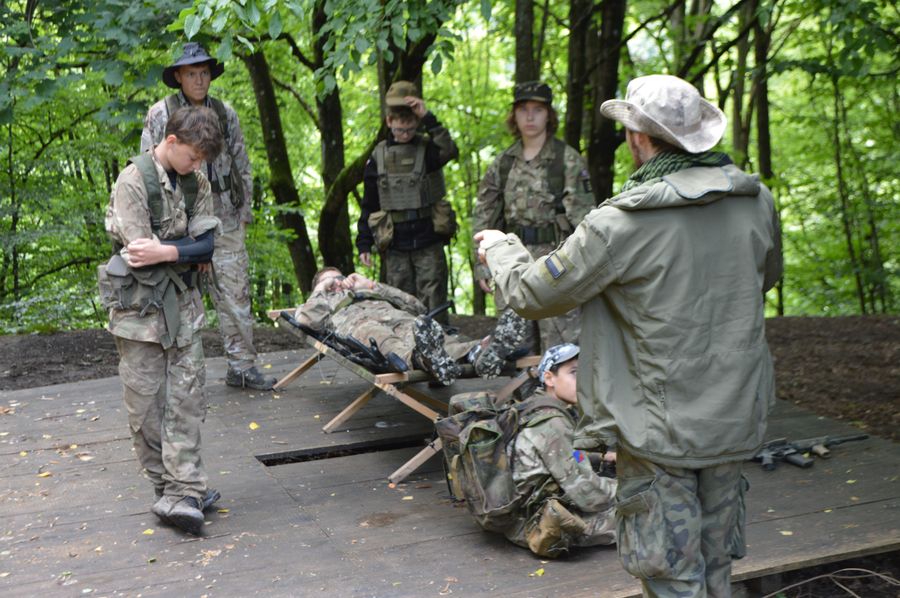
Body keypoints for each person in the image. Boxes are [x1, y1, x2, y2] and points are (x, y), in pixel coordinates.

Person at [476, 74, 783, 596]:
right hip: (734, 416)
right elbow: (765, 277)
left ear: (638, 138)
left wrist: (501, 247)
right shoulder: (756, 201)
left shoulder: (623, 223)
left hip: (659, 430)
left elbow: (533, 294)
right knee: (715, 564)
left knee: (671, 578)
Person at [99, 106, 225, 535]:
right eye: (192, 156)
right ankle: (167, 488)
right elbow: (140, 255)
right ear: (171, 142)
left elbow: (207, 246)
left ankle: (185, 490)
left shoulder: (197, 182)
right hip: (139, 314)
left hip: (184, 309)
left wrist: (169, 250)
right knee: (146, 409)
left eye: (202, 160)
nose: (197, 165)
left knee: (187, 401)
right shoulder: (133, 181)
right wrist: (185, 250)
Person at [141, 42, 275, 391]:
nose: (199, 80)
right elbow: (148, 167)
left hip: (226, 216)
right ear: (178, 77)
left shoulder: (224, 113)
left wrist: (244, 211)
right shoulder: (161, 113)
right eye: (191, 73)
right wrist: (158, 222)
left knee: (235, 293)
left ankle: (242, 367)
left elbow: (242, 162)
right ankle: (180, 372)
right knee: (181, 295)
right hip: (180, 220)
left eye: (204, 73)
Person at [473, 81, 595, 353]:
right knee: (515, 348)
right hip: (510, 261)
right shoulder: (503, 164)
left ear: (548, 115)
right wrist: (482, 265)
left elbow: (585, 222)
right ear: (514, 115)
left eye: (537, 110)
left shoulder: (567, 160)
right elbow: (484, 215)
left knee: (562, 349)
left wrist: (587, 269)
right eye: (523, 110)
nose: (530, 117)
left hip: (557, 261)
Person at [295, 267, 528, 386]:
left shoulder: (367, 292)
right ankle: (424, 359)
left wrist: (373, 286)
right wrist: (321, 288)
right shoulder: (319, 304)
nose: (337, 282)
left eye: (339, 277)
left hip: (398, 318)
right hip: (359, 326)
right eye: (330, 280)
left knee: (423, 329)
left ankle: (480, 351)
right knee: (382, 338)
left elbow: (417, 307)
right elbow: (307, 321)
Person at [356, 80, 459, 324]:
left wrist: (428, 118)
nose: (405, 134)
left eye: (410, 129)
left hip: (428, 238)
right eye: (400, 129)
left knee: (434, 302)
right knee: (400, 303)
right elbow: (370, 203)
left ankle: (441, 343)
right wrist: (364, 242)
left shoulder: (427, 149)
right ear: (389, 122)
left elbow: (450, 150)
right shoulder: (378, 156)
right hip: (395, 243)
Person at [505, 343, 617, 557]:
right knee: (648, 512)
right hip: (539, 526)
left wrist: (602, 457)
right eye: (574, 373)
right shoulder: (552, 423)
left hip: (528, 513)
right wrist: (629, 487)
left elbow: (570, 454)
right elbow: (589, 495)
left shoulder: (537, 406)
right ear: (549, 378)